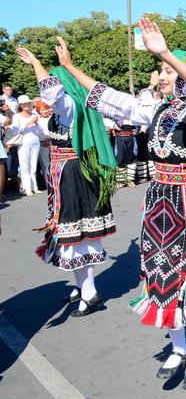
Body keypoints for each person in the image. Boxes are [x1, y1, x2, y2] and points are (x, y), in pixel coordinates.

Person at [59, 18, 186, 389]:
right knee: (162, 276)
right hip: (159, 202)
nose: (162, 76)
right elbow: (112, 98)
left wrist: (166, 53)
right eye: (161, 70)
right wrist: (71, 68)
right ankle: (177, 347)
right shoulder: (156, 110)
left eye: (168, 70)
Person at [15, 43, 117, 317]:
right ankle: (83, 286)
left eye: (56, 81)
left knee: (77, 233)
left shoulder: (69, 104)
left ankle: (89, 291)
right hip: (65, 172)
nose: (48, 91)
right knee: (73, 234)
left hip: (73, 174)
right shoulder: (67, 107)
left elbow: (51, 92)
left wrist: (36, 63)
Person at [4, 95, 44, 195]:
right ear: (21, 106)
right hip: (23, 142)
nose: (28, 105)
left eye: (29, 103)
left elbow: (39, 131)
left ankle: (34, 187)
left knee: (33, 165)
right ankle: (27, 188)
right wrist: (28, 123)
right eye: (25, 104)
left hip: (35, 142)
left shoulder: (34, 114)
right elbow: (15, 130)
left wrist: (37, 124)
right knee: (24, 165)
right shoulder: (17, 116)